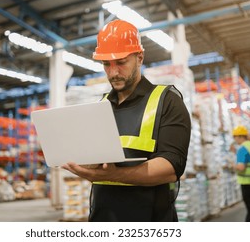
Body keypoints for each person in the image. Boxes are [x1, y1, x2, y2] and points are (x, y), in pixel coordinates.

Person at [62, 19, 191, 222]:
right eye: (106, 64)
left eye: (121, 63)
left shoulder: (167, 101)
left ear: (140, 58)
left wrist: (111, 175)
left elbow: (171, 167)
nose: (113, 72)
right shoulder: (102, 104)